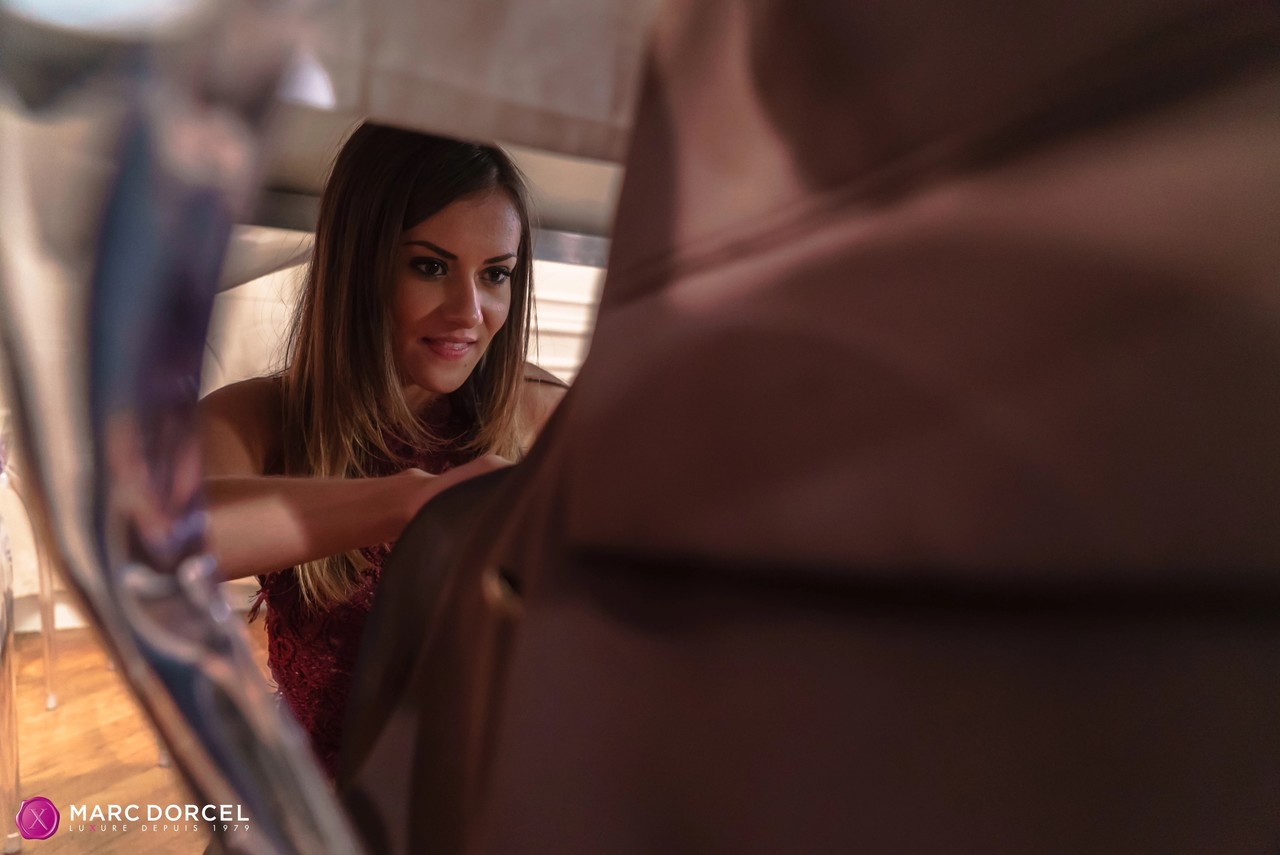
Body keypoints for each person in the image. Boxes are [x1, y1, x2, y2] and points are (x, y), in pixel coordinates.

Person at [198, 122, 565, 777]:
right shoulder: (262, 418)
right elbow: (164, 533)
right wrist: (414, 499)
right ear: (359, 267)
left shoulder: (540, 412)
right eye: (430, 266)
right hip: (328, 808)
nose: (469, 311)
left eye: (496, 275)